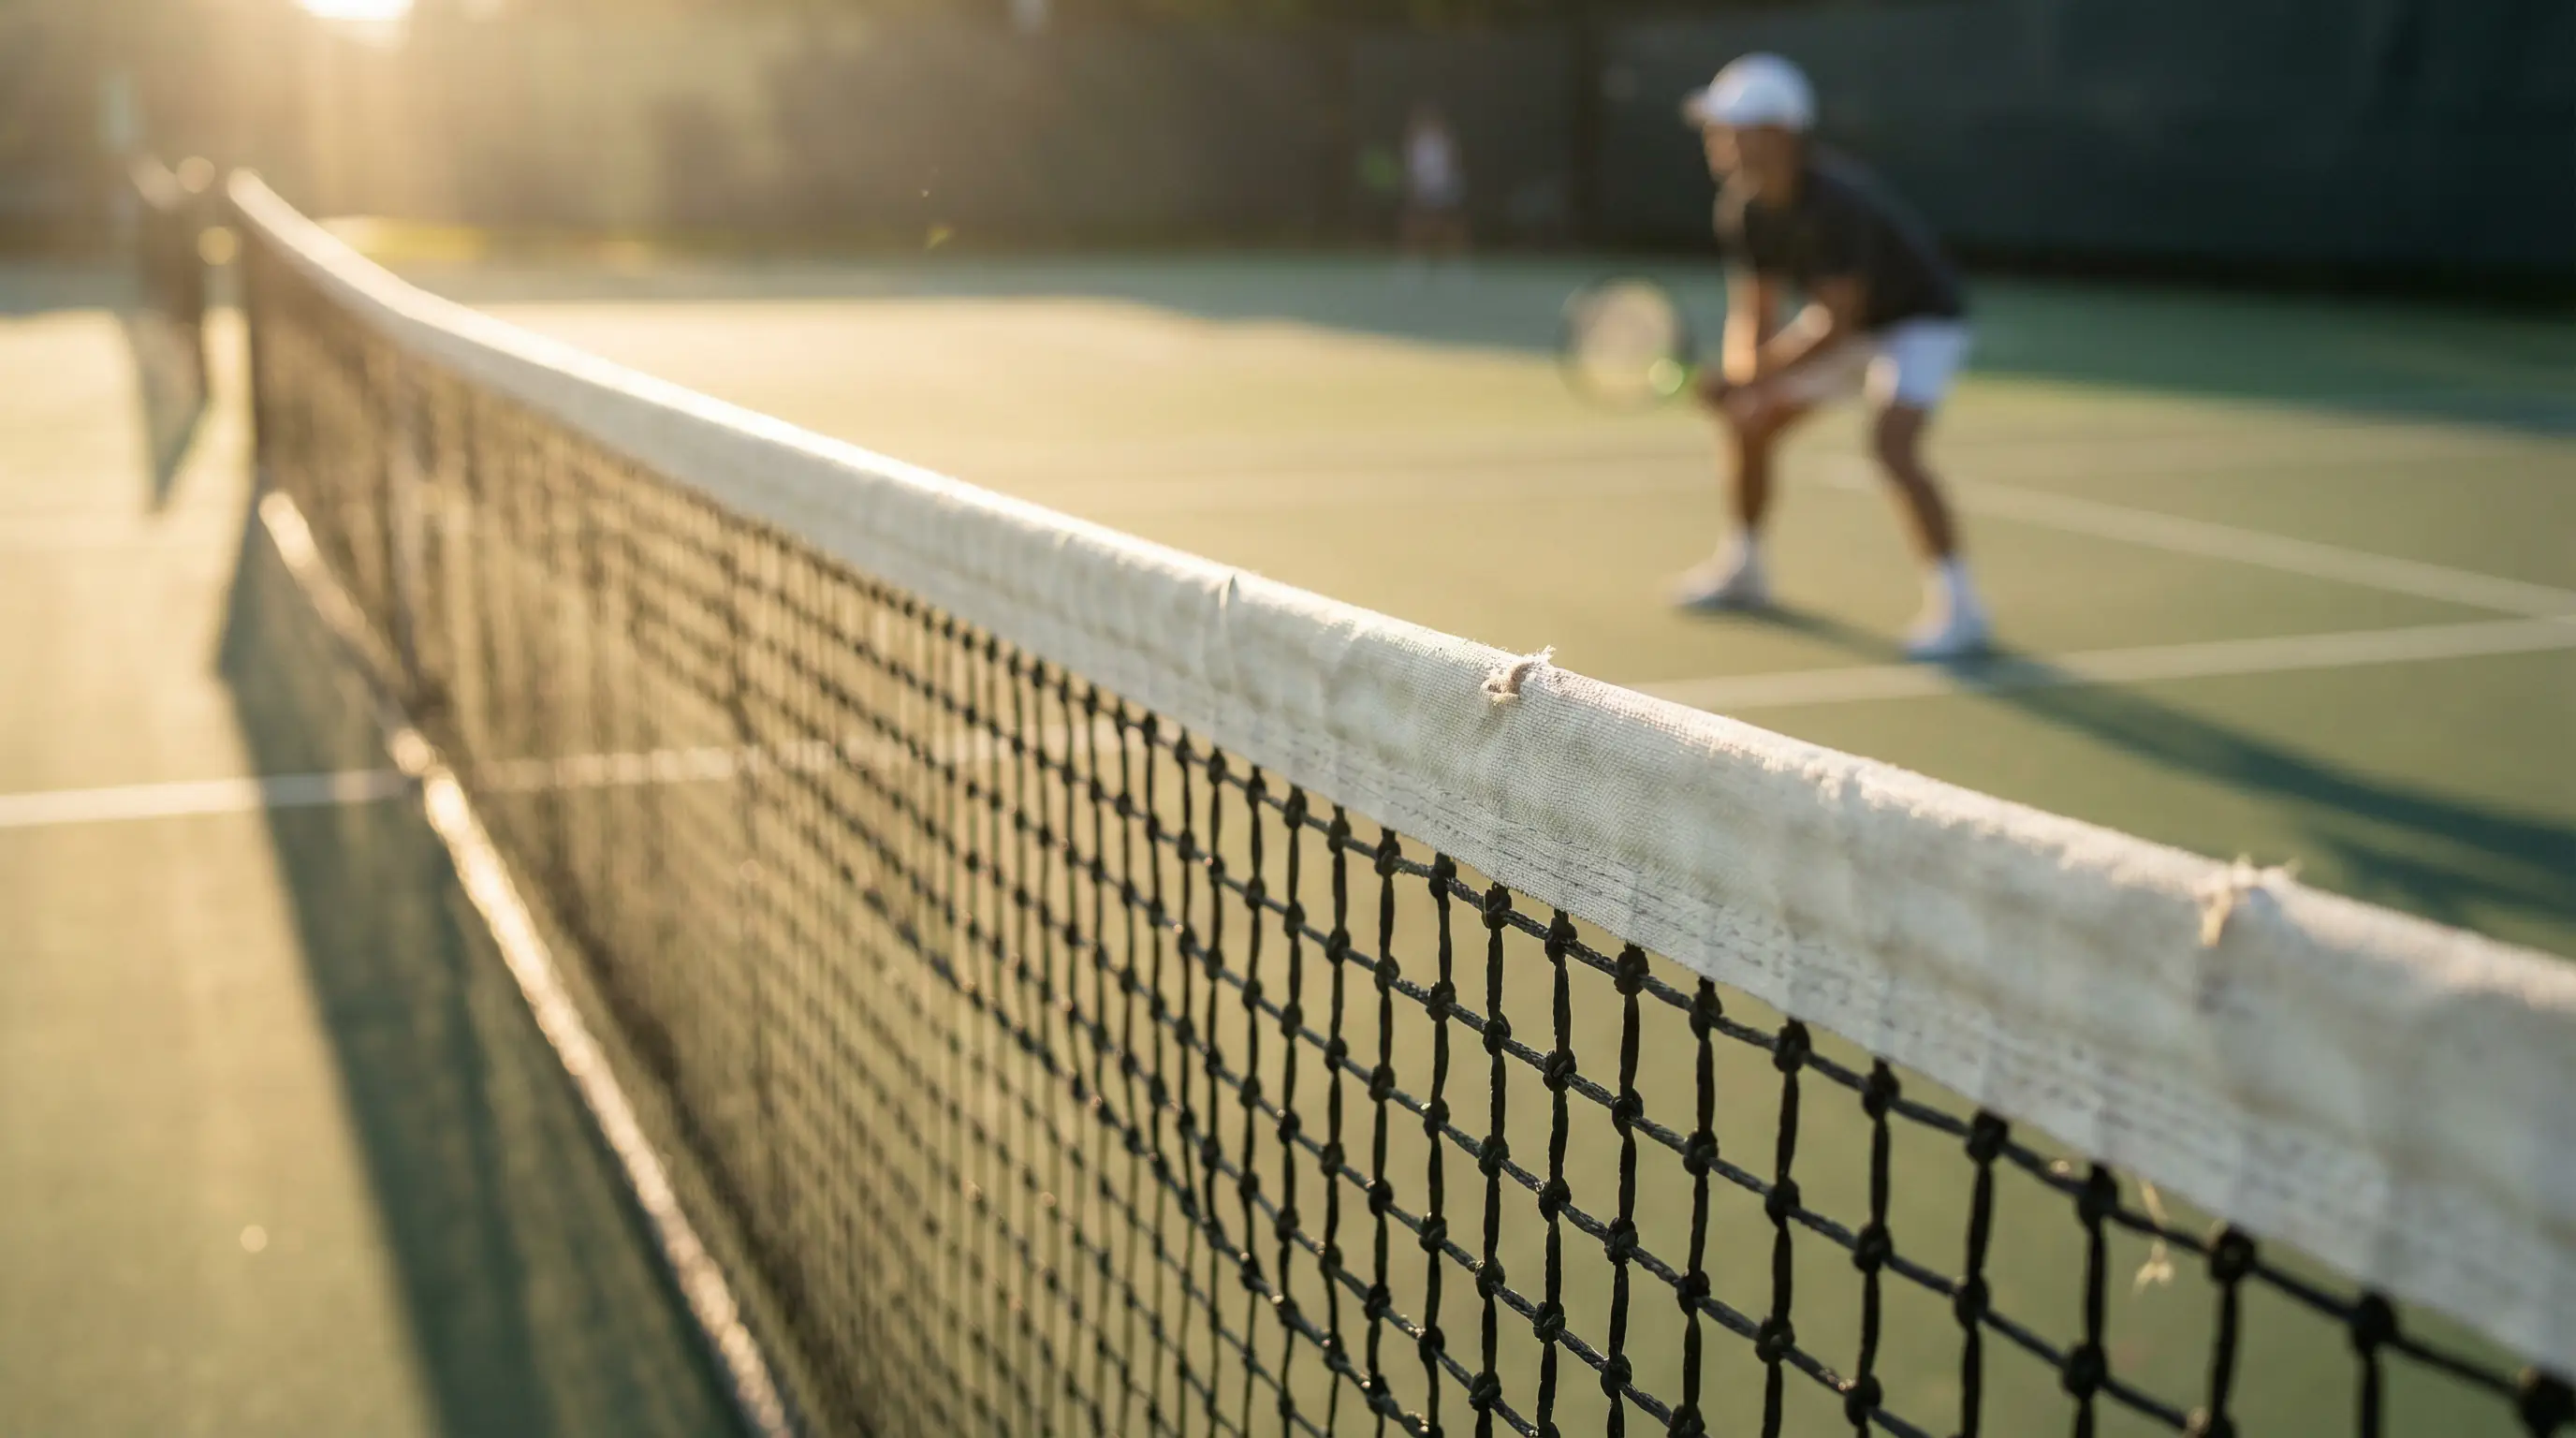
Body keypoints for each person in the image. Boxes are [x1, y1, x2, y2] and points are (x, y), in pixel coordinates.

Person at [1673, 54, 1990, 660]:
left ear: (1777, 134)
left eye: (1730, 127)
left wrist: (1750, 377)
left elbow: (1836, 324)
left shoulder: (1839, 203)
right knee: (1750, 426)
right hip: (1851, 330)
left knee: (1893, 444)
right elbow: (1755, 311)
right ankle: (1744, 569)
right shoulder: (1742, 206)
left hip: (1920, 320)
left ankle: (1961, 607)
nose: (1715, 139)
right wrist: (1745, 385)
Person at [1399, 104, 1469, 271]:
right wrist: (1413, 185)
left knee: (1449, 223)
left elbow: (1452, 163)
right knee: (1415, 222)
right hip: (1422, 186)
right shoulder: (1414, 142)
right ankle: (1413, 261)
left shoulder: (1445, 140)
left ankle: (1455, 261)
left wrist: (1449, 185)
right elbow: (1411, 166)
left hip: (1443, 186)